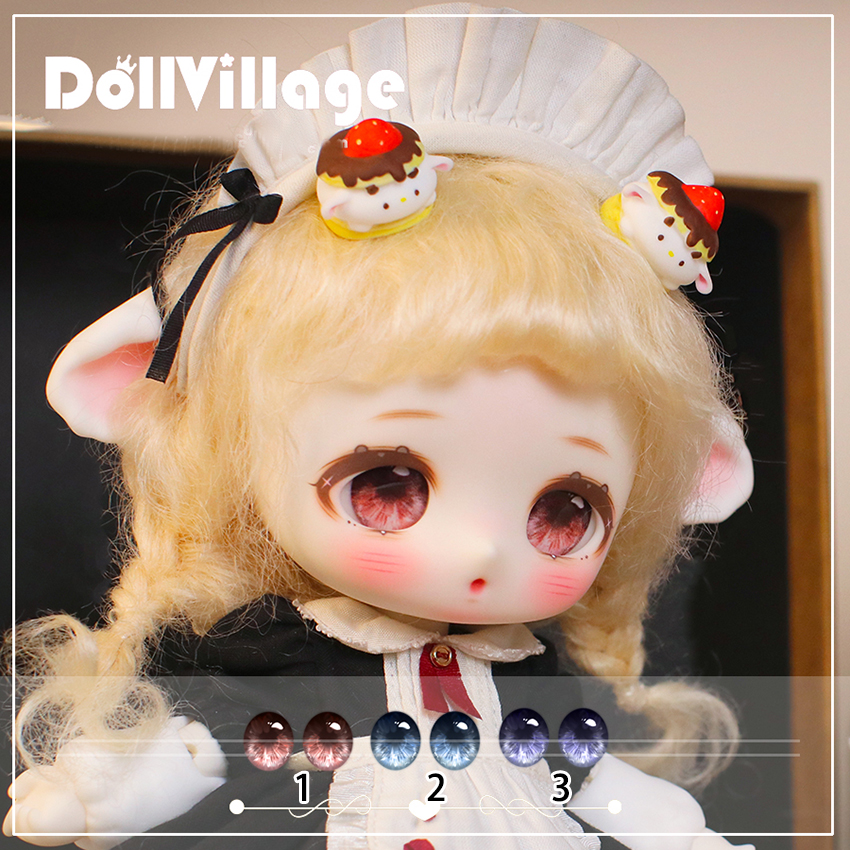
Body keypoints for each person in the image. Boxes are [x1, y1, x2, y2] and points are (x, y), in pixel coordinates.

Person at [6, 9, 754, 850]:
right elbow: (205, 748)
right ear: (237, 454)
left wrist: (670, 825)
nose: (479, 550)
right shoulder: (286, 656)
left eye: (563, 512)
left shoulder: (529, 672)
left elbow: (578, 771)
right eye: (388, 487)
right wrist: (111, 797)